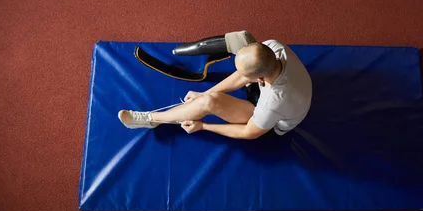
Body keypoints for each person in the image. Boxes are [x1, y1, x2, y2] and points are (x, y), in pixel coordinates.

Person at [118, 33, 313, 139]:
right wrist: (204, 93)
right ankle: (201, 100)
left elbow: (249, 133)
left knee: (209, 103)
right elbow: (241, 76)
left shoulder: (273, 103)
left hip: (274, 123)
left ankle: (151, 119)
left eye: (249, 77)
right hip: (282, 91)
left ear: (259, 80)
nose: (243, 77)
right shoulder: (273, 48)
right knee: (208, 97)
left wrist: (203, 125)